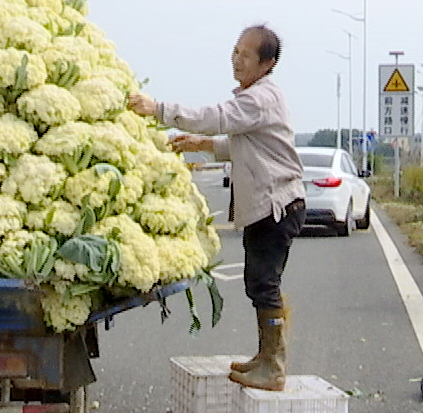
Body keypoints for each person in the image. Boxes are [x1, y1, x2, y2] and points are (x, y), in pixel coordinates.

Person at [128, 25, 306, 391]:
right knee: (258, 283)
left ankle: (273, 366)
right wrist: (204, 144)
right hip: (269, 205)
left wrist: (159, 109)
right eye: (235, 51)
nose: (236, 60)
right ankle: (265, 356)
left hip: (276, 206)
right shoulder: (257, 99)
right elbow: (242, 144)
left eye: (246, 55)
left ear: (266, 63)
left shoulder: (259, 99)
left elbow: (218, 116)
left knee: (264, 284)